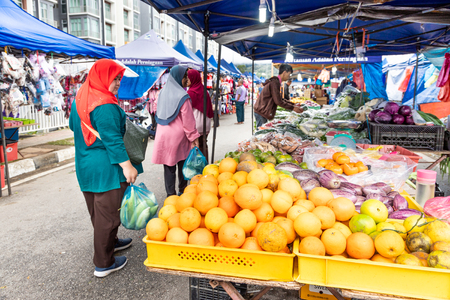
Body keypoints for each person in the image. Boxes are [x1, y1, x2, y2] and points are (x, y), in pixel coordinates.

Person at [69, 59, 142, 278]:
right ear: (102, 77)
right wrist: (128, 166)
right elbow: (113, 140)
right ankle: (104, 262)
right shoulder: (106, 105)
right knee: (108, 215)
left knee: (98, 210)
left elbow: (74, 126)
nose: (118, 82)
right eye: (114, 77)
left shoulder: (82, 95)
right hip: (107, 166)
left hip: (85, 163)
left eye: (119, 77)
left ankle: (111, 243)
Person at [152, 66, 200, 197]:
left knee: (168, 166)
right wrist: (194, 138)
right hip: (178, 136)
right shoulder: (183, 96)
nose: (186, 80)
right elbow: (188, 121)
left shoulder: (161, 93)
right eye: (185, 77)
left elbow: (156, 110)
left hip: (162, 133)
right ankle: (182, 191)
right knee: (183, 163)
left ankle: (170, 195)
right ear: (179, 78)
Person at [187, 69, 213, 161]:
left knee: (195, 147)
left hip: (196, 124)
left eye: (188, 78)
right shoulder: (204, 91)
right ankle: (206, 165)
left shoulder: (190, 93)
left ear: (193, 78)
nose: (187, 80)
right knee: (204, 145)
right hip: (206, 124)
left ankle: (198, 169)